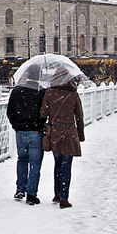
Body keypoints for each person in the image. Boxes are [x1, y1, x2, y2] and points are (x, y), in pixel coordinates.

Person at [40, 68, 86, 209]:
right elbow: (79, 116)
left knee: (57, 164)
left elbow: (43, 113)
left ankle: (58, 193)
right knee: (67, 165)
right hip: (70, 132)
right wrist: (80, 134)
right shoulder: (73, 95)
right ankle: (64, 198)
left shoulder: (49, 93)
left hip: (55, 132)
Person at [6, 71, 48, 205]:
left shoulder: (17, 90)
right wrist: (40, 123)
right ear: (39, 77)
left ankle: (20, 189)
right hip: (35, 131)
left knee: (22, 159)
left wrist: (16, 124)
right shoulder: (41, 92)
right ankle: (31, 194)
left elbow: (10, 111)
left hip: (20, 131)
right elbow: (44, 112)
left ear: (27, 76)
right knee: (35, 164)